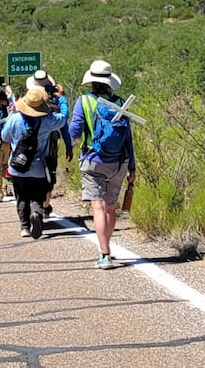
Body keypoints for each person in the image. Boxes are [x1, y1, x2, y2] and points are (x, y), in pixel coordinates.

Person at [69, 60, 137, 270]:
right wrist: (132, 167)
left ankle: (104, 253)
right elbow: (128, 138)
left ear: (91, 81)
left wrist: (68, 145)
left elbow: (74, 132)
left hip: (93, 160)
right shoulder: (121, 102)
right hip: (119, 161)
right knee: (110, 207)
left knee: (97, 207)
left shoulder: (84, 102)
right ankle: (106, 248)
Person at [1, 86, 67, 239]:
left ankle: (24, 226)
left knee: (21, 196)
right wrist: (62, 99)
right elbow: (63, 119)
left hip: (18, 166)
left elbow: (4, 137)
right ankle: (36, 213)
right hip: (39, 167)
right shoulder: (48, 120)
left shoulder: (15, 118)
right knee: (38, 195)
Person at [26, 70, 72, 217]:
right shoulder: (56, 104)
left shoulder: (28, 103)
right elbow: (64, 125)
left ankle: (32, 205)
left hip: (29, 145)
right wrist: (69, 146)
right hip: (50, 145)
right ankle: (44, 205)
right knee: (49, 173)